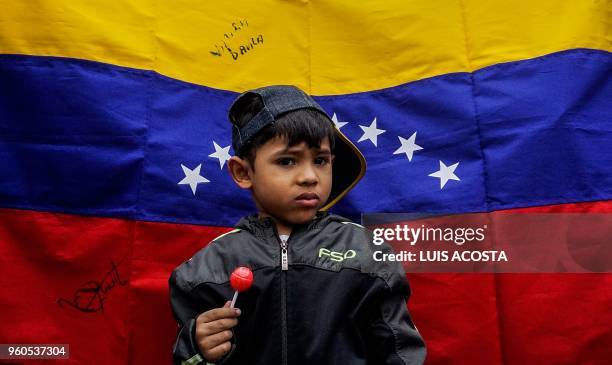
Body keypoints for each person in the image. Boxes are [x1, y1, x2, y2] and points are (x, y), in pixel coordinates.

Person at [169, 85, 426, 365]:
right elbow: (186, 359)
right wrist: (197, 348)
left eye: (320, 161)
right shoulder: (209, 267)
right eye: (287, 161)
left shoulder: (367, 253)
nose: (309, 176)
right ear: (243, 172)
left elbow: (401, 352)